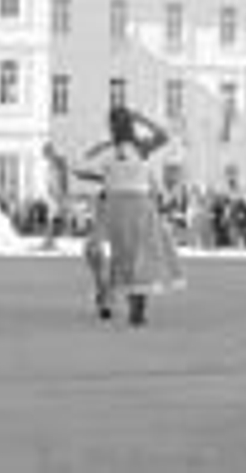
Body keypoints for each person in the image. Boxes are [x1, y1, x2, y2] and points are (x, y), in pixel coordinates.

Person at [73, 107, 183, 327]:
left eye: (120, 121)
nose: (117, 125)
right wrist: (105, 172)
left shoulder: (139, 146)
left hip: (135, 204)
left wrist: (141, 118)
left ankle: (135, 309)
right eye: (114, 121)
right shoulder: (111, 149)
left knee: (136, 257)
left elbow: (163, 136)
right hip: (116, 203)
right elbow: (80, 170)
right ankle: (107, 293)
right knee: (104, 251)